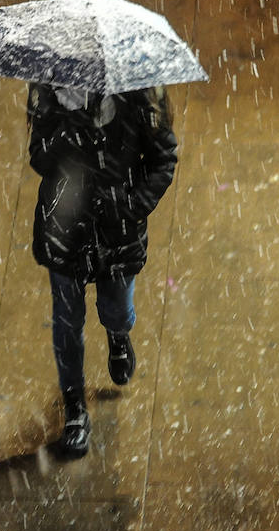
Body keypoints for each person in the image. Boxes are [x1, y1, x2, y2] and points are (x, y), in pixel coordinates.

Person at [26, 81, 178, 458]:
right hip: (65, 230)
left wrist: (130, 204)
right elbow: (39, 159)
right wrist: (66, 123)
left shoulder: (140, 95)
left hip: (118, 233)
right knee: (67, 321)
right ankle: (75, 406)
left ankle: (118, 336)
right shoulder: (49, 90)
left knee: (117, 309)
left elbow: (163, 159)